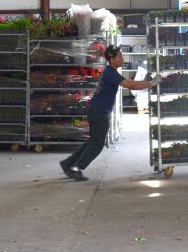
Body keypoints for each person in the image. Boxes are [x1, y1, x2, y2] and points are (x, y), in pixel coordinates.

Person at [61, 46, 159, 182]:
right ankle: (76, 168)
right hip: (99, 111)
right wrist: (151, 83)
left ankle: (68, 163)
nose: (122, 58)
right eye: (119, 56)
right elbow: (131, 85)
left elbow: (130, 84)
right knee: (97, 144)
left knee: (92, 140)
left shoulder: (110, 71)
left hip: (95, 109)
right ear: (111, 59)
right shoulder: (111, 73)